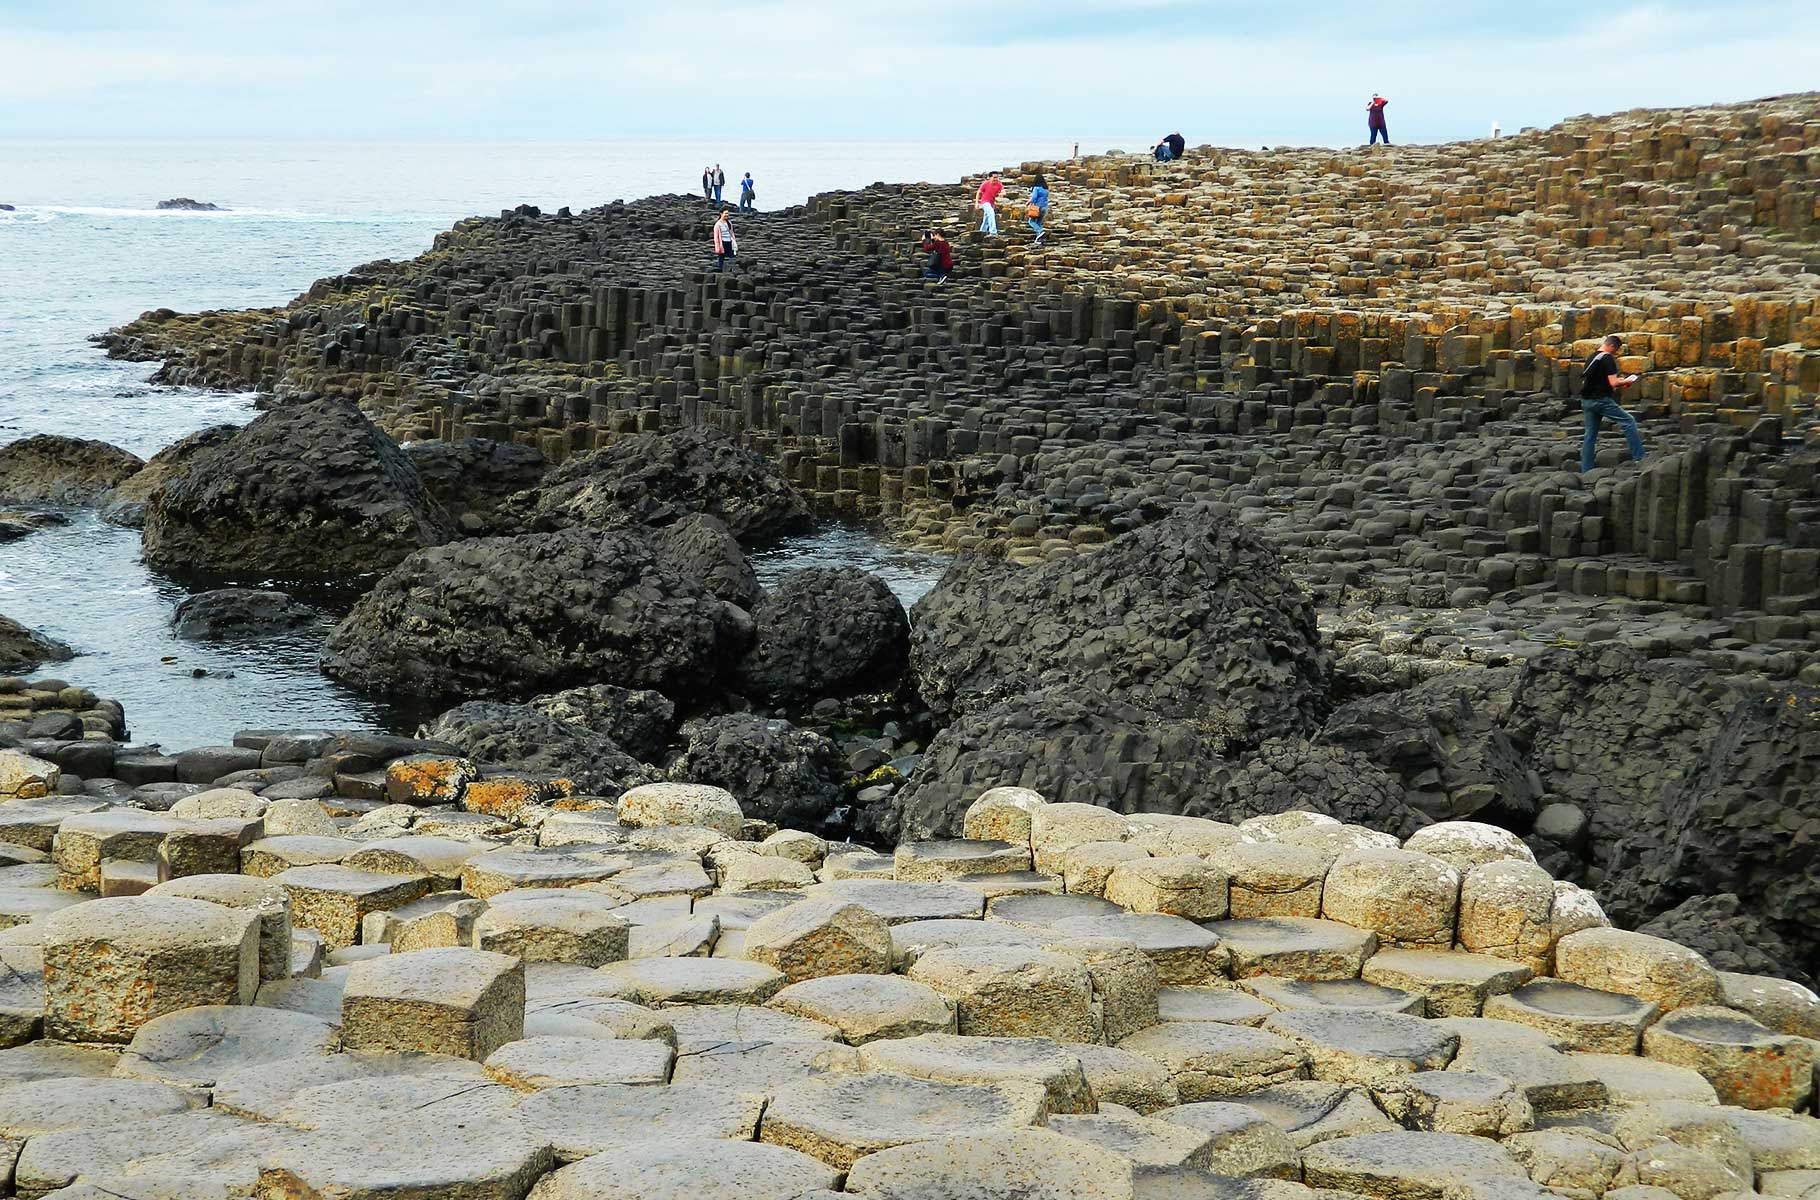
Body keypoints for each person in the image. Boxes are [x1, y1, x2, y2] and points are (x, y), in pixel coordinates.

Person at [1579, 335, 1644, 472]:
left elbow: (1599, 379)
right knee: (1629, 421)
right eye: (1616, 350)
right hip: (1601, 400)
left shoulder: (1592, 357)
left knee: (1590, 434)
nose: (1615, 353)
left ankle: (1586, 469)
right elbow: (1613, 382)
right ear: (1612, 346)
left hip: (1587, 400)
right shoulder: (1607, 358)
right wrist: (1626, 381)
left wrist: (1620, 382)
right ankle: (1640, 458)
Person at [976, 170, 1004, 236]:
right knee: (991, 214)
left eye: (997, 177)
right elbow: (978, 192)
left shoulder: (999, 184)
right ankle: (993, 232)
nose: (996, 179)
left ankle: (982, 231)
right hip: (985, 202)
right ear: (990, 177)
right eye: (994, 177)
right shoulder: (985, 184)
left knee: (986, 217)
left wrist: (1002, 194)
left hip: (992, 203)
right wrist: (977, 203)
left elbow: (1003, 191)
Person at [1027, 173, 1049, 244]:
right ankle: (1039, 239)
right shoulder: (1046, 189)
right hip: (1045, 207)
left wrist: (1029, 202)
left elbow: (1034, 197)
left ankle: (1040, 231)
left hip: (1037, 207)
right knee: (1039, 223)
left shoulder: (1036, 188)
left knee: (1031, 221)